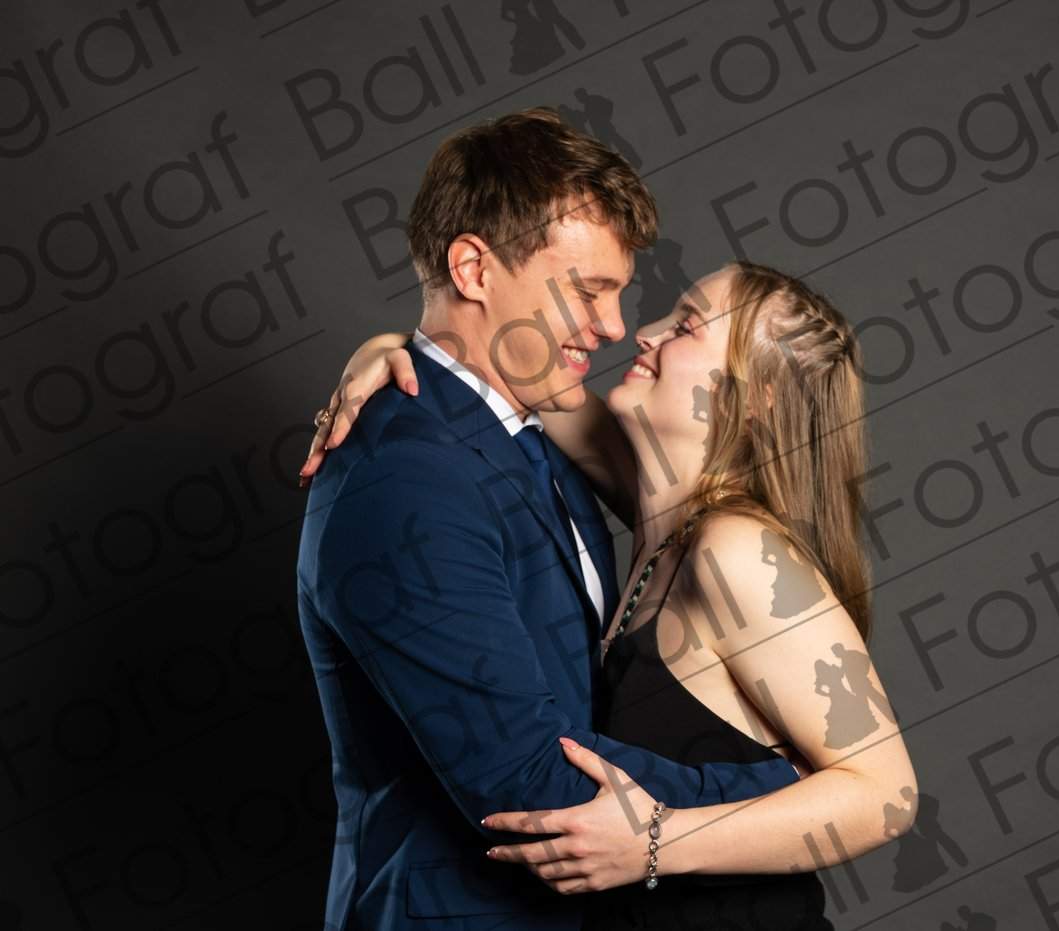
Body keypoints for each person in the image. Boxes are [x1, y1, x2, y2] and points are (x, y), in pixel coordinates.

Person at [294, 108, 811, 931]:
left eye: (619, 293)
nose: (614, 327)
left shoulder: (531, 434)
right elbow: (527, 780)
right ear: (473, 268)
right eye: (587, 290)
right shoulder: (404, 477)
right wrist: (780, 792)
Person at [305, 258, 919, 928]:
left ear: (758, 395)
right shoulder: (660, 509)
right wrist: (388, 349)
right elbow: (492, 362)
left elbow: (885, 794)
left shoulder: (739, 551)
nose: (644, 331)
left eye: (686, 326)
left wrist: (657, 841)